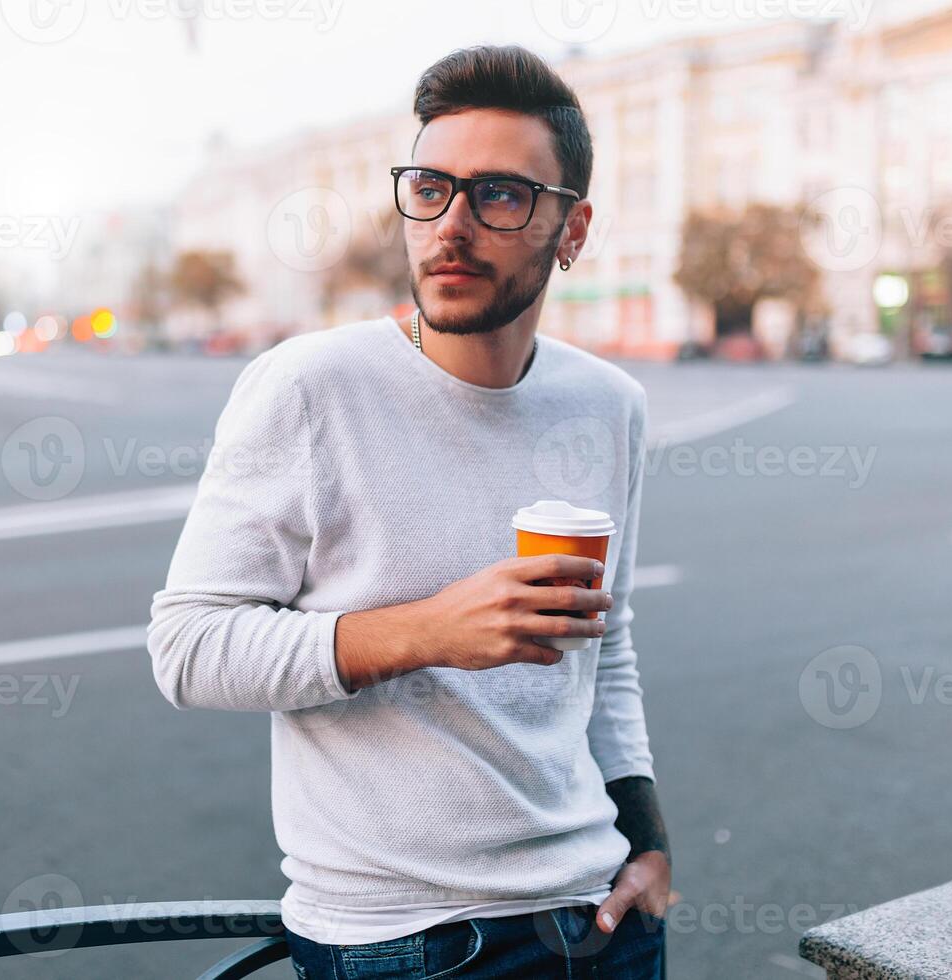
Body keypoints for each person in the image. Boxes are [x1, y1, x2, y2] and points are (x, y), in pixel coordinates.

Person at [148, 43, 670, 979]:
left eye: (501, 194)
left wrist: (647, 836)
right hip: (402, 944)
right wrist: (427, 631)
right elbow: (188, 649)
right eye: (430, 187)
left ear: (573, 229)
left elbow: (609, 640)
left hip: (601, 926)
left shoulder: (610, 405)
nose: (451, 226)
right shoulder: (311, 387)